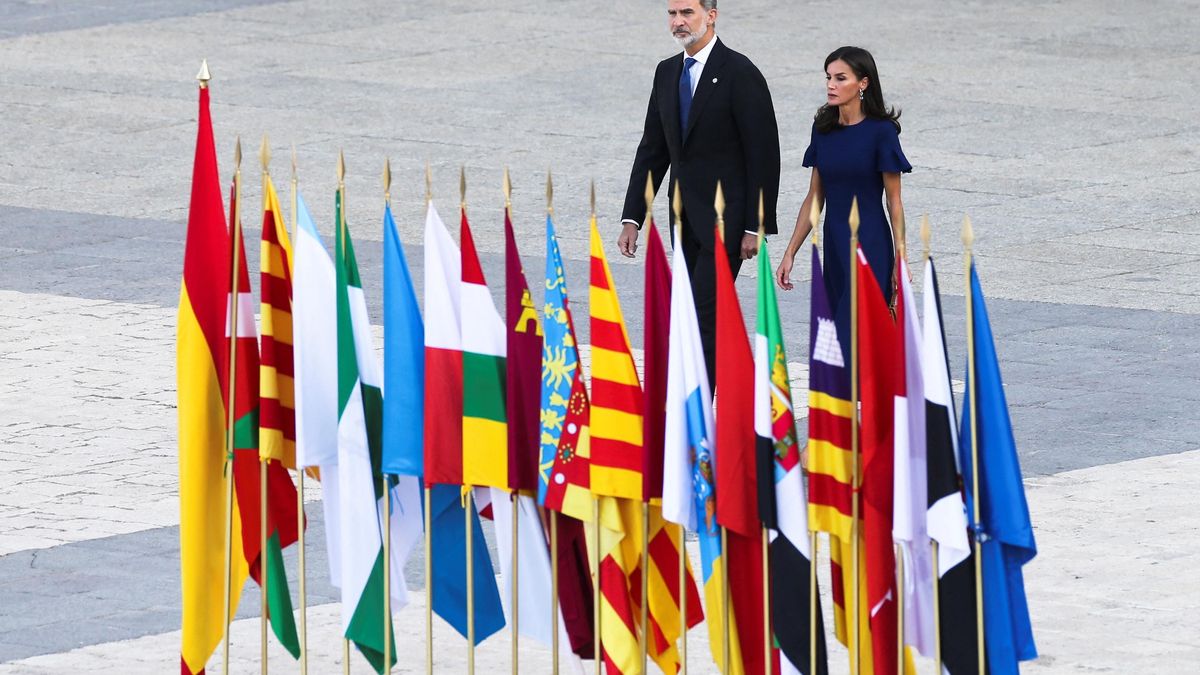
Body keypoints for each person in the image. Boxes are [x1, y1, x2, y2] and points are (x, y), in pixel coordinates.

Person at [617, 0, 781, 386]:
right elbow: (653, 149)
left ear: (711, 15)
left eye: (687, 13)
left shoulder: (740, 73)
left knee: (705, 315)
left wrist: (756, 226)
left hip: (729, 220)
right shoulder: (667, 72)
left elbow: (763, 152)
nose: (678, 22)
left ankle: (700, 415)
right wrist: (632, 217)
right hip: (684, 218)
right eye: (672, 14)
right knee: (686, 314)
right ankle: (688, 401)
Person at [775, 46, 910, 360]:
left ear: (862, 83)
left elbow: (894, 201)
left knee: (865, 331)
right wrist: (790, 252)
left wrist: (900, 257)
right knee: (838, 333)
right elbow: (815, 198)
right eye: (828, 78)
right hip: (835, 247)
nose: (830, 85)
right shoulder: (823, 129)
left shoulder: (882, 132)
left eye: (840, 78)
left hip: (871, 244)